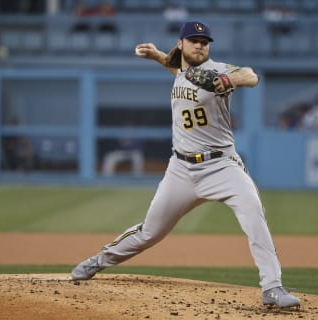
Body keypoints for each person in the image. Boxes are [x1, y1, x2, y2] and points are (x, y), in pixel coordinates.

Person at [71, 20, 301, 308]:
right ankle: (97, 261)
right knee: (149, 233)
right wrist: (157, 55)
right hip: (180, 169)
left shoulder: (217, 71)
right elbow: (178, 71)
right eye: (193, 40)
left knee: (254, 212)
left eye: (204, 41)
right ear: (181, 44)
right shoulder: (183, 72)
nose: (200, 44)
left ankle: (272, 287)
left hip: (222, 166)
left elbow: (250, 75)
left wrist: (232, 80)